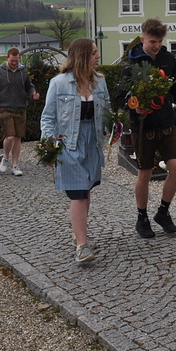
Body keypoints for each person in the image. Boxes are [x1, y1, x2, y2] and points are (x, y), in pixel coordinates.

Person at [114, 18, 176, 239]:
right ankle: (142, 217)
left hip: (166, 124)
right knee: (145, 173)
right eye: (152, 42)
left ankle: (163, 212)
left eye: (159, 42)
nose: (156, 46)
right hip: (143, 126)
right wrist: (134, 106)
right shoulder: (131, 64)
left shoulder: (168, 59)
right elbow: (119, 98)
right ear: (143, 39)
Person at [40, 39, 111, 264]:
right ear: (82, 56)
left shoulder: (100, 81)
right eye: (94, 53)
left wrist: (113, 128)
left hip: (93, 142)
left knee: (86, 188)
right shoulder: (59, 83)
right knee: (78, 192)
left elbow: (107, 110)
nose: (98, 56)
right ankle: (81, 246)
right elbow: (48, 117)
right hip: (69, 142)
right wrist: (48, 145)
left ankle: (79, 234)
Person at [0, 47, 40, 176]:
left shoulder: (23, 71)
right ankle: (5, 157)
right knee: (9, 136)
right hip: (4, 107)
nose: (14, 63)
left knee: (17, 138)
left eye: (16, 61)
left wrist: (33, 93)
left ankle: (15, 165)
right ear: (7, 58)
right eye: (12, 61)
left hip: (20, 107)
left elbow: (29, 86)